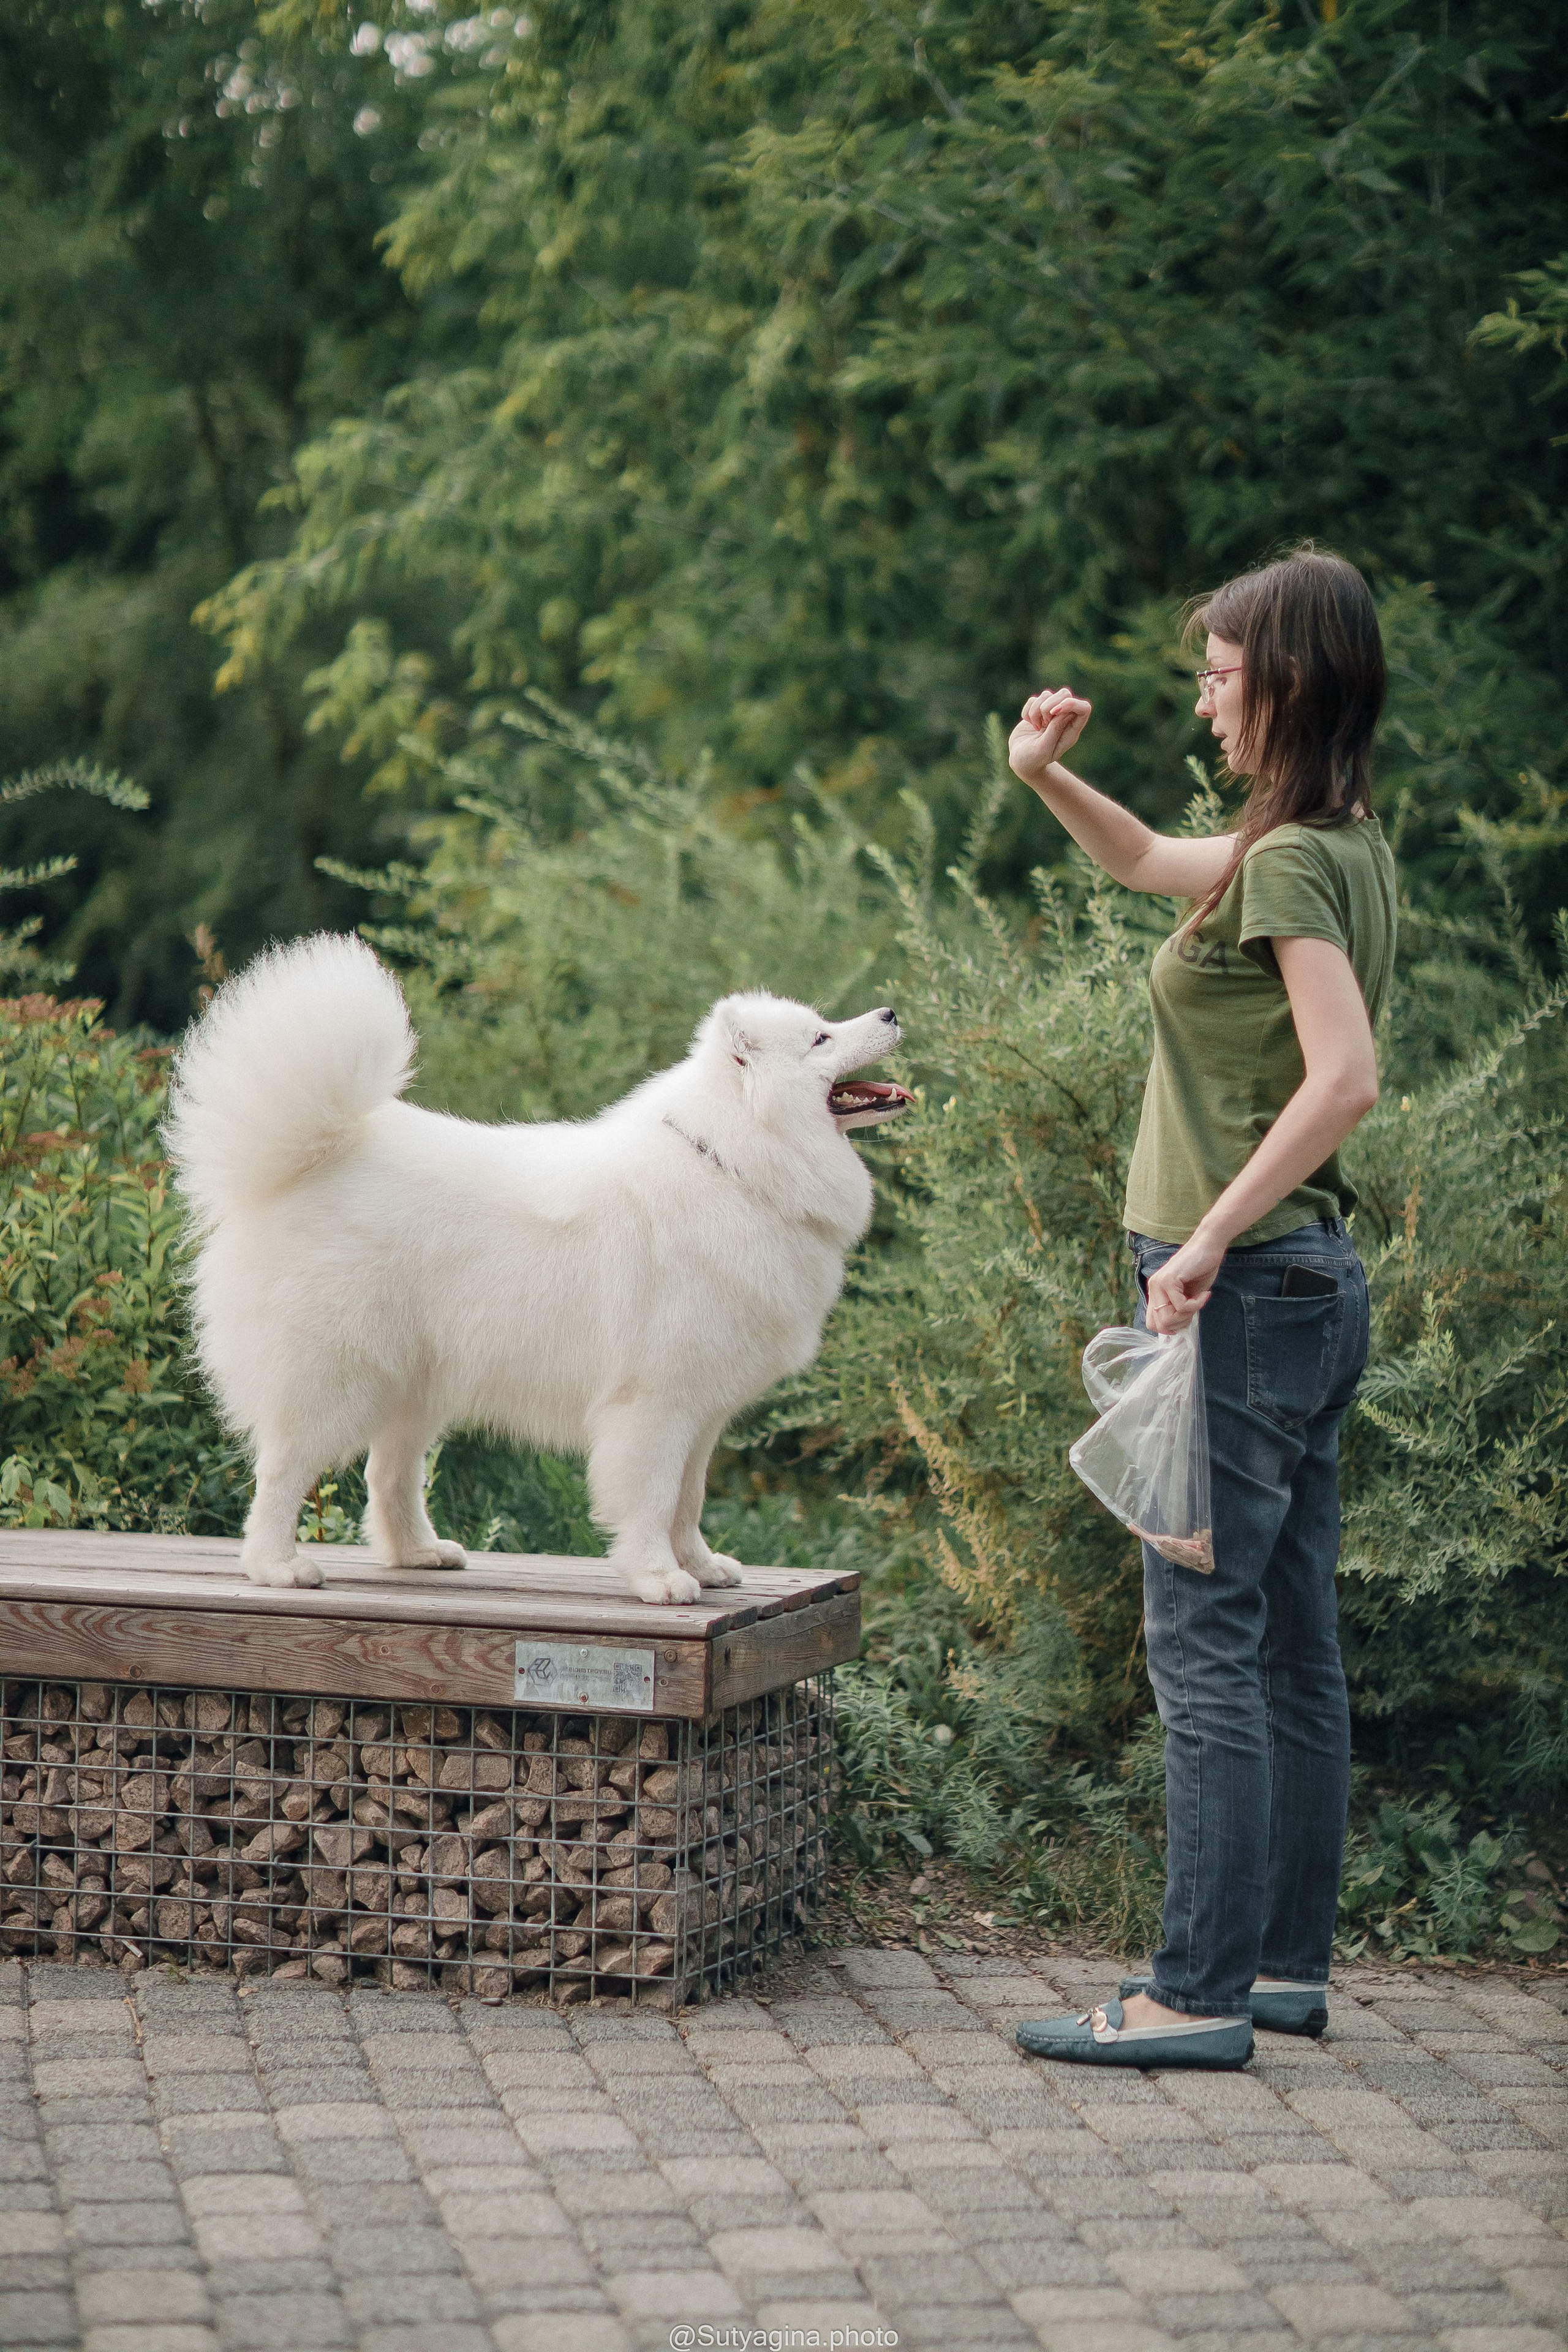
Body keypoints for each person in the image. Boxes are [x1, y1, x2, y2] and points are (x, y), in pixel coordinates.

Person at [1009, 546, 1396, 2070]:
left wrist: (1199, 1246)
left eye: (1218, 676)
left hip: (1237, 1292)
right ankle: (1281, 1972)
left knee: (1202, 1643)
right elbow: (1142, 862)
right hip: (1305, 1288)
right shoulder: (1330, 842)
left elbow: (1343, 1078)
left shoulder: (1293, 861)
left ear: (1284, 683)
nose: (1199, 701)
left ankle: (1191, 1994)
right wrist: (1044, 779)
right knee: (1288, 1641)